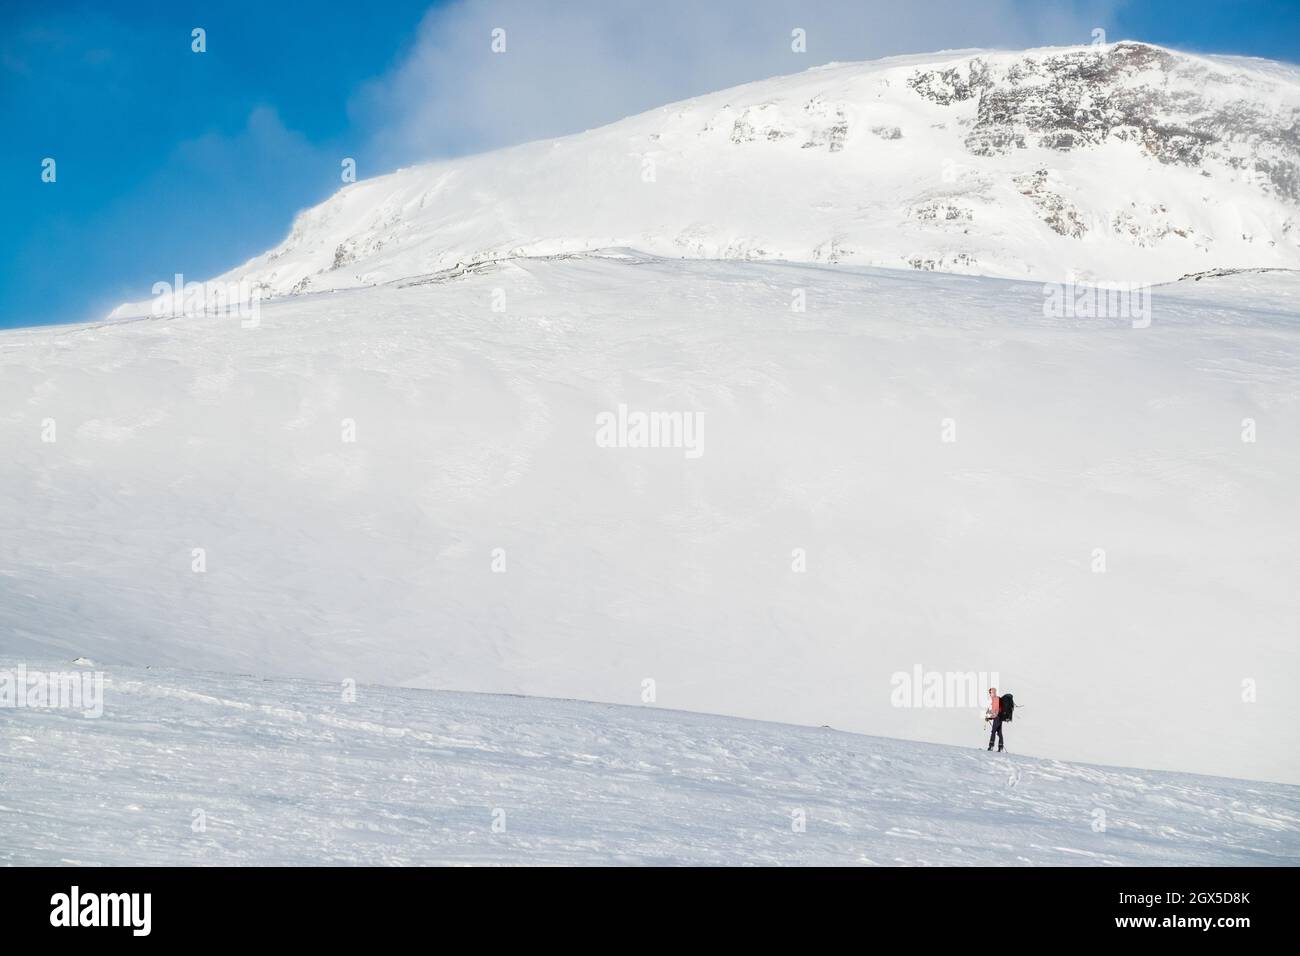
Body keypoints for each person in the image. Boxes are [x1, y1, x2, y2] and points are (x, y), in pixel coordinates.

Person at [985, 687, 1004, 752]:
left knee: (993, 731)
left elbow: (995, 711)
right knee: (999, 732)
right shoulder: (997, 699)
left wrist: (989, 717)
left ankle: (991, 746)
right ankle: (1000, 747)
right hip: (1000, 718)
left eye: (990, 693)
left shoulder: (995, 699)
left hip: (997, 718)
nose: (990, 694)